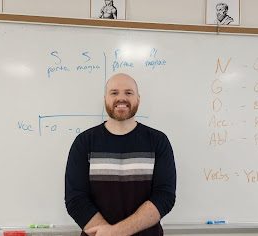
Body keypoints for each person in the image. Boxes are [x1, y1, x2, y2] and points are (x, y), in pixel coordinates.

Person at [65, 73, 177, 236]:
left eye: (128, 93)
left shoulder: (158, 141)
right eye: (114, 93)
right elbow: (76, 200)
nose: (121, 98)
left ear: (138, 99)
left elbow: (164, 196)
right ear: (105, 99)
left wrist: (116, 232)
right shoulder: (84, 142)